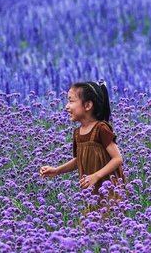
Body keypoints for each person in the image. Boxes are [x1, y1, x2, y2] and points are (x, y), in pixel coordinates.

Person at [40, 81, 125, 213]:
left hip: (109, 190)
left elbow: (117, 159)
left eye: (71, 101)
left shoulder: (101, 128)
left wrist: (96, 176)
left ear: (88, 105)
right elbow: (79, 159)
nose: (67, 107)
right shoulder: (77, 133)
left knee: (109, 221)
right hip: (91, 191)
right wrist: (57, 171)